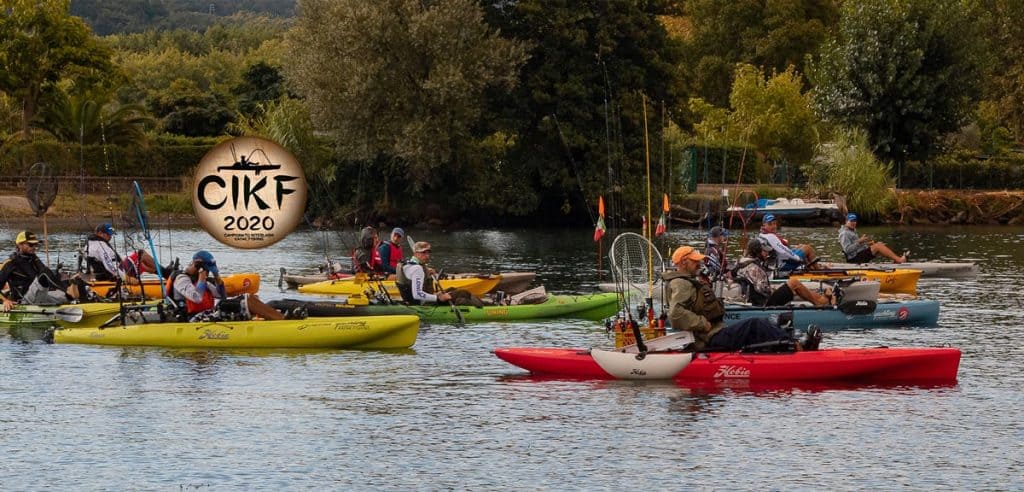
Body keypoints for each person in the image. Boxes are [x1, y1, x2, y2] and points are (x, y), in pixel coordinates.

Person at [663, 245, 820, 351]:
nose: (699, 263)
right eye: (694, 260)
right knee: (754, 324)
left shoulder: (690, 281)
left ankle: (789, 343)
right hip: (709, 338)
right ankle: (797, 346)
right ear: (683, 262)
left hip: (715, 333)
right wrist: (702, 324)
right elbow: (676, 313)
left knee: (762, 326)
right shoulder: (681, 283)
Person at [170, 250, 284, 321]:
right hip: (191, 318)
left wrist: (216, 276)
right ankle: (281, 322)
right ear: (198, 266)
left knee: (251, 297)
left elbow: (222, 295)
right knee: (245, 301)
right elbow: (197, 298)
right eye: (207, 269)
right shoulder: (182, 279)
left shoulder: (204, 280)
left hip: (207, 314)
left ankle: (277, 318)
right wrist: (201, 278)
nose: (207, 272)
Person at [733, 238, 832, 307]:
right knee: (794, 283)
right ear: (757, 251)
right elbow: (764, 291)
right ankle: (820, 303)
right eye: (764, 251)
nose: (767, 253)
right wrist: (776, 290)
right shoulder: (754, 268)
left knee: (790, 287)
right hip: (763, 304)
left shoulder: (741, 262)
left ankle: (821, 299)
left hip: (754, 299)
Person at [1, 231, 86, 310]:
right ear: (20, 245)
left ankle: (85, 305)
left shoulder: (34, 259)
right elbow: (44, 274)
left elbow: (47, 276)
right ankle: (66, 290)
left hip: (41, 295)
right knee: (44, 273)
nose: (34, 247)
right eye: (30, 245)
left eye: (35, 245)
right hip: (24, 300)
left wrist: (67, 280)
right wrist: (5, 300)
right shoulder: (10, 263)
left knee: (76, 282)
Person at [839, 213, 907, 263]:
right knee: (878, 246)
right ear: (846, 221)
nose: (853, 223)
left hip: (858, 255)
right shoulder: (844, 233)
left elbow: (857, 246)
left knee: (880, 245)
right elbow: (847, 250)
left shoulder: (851, 231)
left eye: (855, 221)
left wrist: (869, 244)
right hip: (853, 259)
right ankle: (900, 260)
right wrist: (859, 241)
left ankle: (896, 261)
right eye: (851, 221)